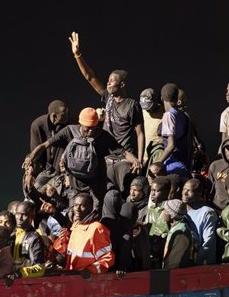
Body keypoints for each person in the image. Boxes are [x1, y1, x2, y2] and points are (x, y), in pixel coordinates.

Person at [23, 107, 142, 207]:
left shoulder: (102, 136)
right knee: (75, 214)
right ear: (80, 123)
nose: (90, 131)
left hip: (96, 186)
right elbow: (44, 145)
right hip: (75, 186)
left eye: (93, 128)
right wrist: (31, 158)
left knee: (96, 212)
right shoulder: (69, 131)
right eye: (87, 128)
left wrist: (135, 160)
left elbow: (123, 152)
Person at [69, 32, 145, 164]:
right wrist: (77, 55)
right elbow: (90, 77)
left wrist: (139, 159)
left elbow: (140, 133)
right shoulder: (108, 97)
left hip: (124, 158)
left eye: (112, 81)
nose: (108, 83)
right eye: (108, 81)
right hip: (106, 155)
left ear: (121, 85)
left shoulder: (132, 105)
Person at [64, 193, 114, 275]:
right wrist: (62, 240)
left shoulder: (97, 228)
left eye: (82, 206)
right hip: (73, 278)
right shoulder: (76, 226)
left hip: (89, 281)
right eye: (75, 205)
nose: (77, 209)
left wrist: (90, 271)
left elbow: (107, 258)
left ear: (90, 208)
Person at [182, 178, 217, 265]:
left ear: (199, 193)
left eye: (189, 191)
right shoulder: (181, 211)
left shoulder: (207, 213)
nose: (185, 193)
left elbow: (208, 243)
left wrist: (196, 261)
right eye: (184, 189)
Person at [159, 83, 191, 178]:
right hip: (184, 161)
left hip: (173, 163)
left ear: (162, 98)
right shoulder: (183, 115)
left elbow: (171, 145)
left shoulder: (169, 115)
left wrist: (158, 163)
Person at [29, 100, 69, 175]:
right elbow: (35, 150)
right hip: (43, 167)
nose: (67, 116)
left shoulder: (67, 126)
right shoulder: (38, 125)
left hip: (60, 167)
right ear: (54, 116)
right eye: (64, 115)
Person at [10, 201, 46, 278]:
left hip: (26, 282)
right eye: (17, 214)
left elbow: (40, 268)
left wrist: (20, 273)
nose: (20, 218)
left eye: (24, 215)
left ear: (32, 216)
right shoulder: (11, 236)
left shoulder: (34, 238)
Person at [145, 176, 170, 268]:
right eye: (151, 190)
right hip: (150, 249)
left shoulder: (168, 209)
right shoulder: (152, 208)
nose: (152, 193)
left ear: (166, 192)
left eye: (156, 191)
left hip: (162, 251)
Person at [161, 199, 194, 269]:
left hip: (175, 275)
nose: (162, 212)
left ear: (172, 215)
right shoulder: (174, 227)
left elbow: (173, 262)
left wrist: (165, 275)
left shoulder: (180, 232)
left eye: (165, 210)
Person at [139, 88, 164, 167]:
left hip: (158, 156)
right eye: (144, 106)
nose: (147, 109)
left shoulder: (165, 113)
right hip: (144, 158)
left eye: (149, 106)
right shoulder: (141, 112)